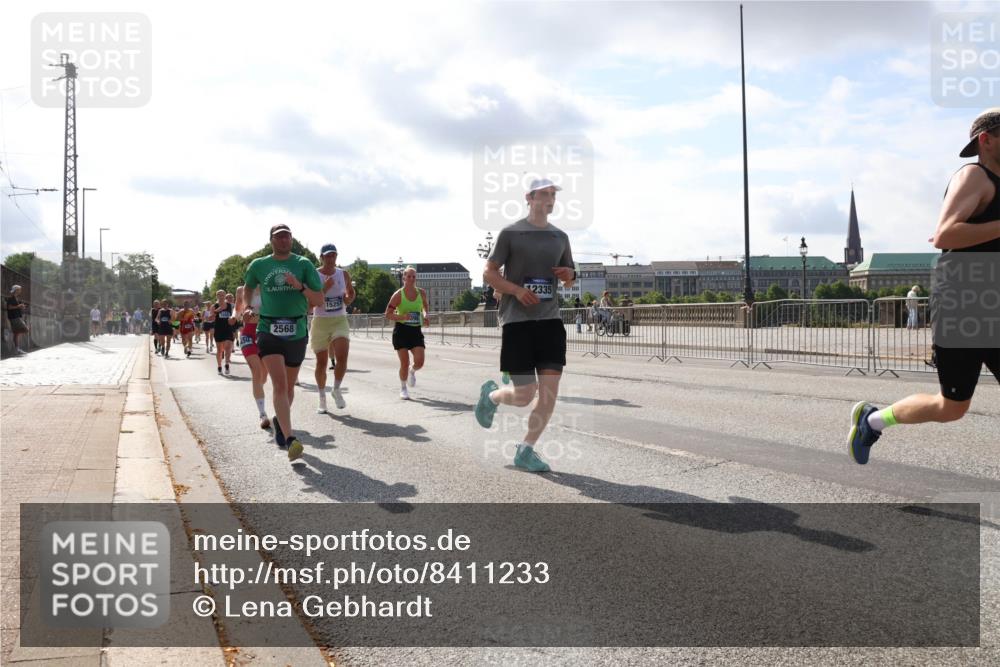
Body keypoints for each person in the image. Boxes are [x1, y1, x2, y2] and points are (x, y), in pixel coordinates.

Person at [848, 108, 1000, 464]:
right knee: (950, 407)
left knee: (952, 407)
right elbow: (946, 233)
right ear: (987, 139)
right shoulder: (974, 176)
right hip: (966, 308)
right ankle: (872, 420)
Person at [474, 178, 577, 473]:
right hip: (517, 321)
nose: (549, 199)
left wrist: (569, 274)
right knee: (524, 395)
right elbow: (489, 273)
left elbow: (570, 277)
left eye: (553, 194)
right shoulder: (511, 233)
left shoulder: (560, 237)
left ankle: (526, 449)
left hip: (550, 321)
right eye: (544, 194)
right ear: (529, 198)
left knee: (548, 394)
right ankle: (492, 396)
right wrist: (517, 291)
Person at [244, 224, 323, 462]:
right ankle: (290, 439)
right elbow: (247, 288)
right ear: (271, 240)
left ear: (291, 239)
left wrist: (299, 286)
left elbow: (318, 299)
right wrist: (248, 306)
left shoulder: (303, 264)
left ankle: (280, 421)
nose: (283, 240)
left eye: (287, 236)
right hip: (268, 328)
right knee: (279, 385)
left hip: (297, 329)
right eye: (279, 237)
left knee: (289, 388)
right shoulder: (258, 265)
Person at [309, 244, 355, 412]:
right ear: (321, 257)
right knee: (321, 363)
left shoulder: (343, 274)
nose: (330, 259)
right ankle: (322, 398)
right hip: (320, 321)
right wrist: (324, 289)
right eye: (327, 256)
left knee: (342, 357)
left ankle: (336, 390)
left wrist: (349, 298)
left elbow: (350, 293)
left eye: (333, 256)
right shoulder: (314, 274)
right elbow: (310, 303)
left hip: (339, 319)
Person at [385, 266, 428, 400]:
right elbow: (388, 314)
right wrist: (403, 317)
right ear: (404, 278)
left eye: (413, 276)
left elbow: (425, 307)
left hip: (415, 330)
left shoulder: (421, 293)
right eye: (408, 276)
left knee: (419, 362)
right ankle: (403, 388)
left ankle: (412, 371)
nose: (411, 279)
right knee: (404, 362)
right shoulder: (398, 295)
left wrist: (426, 316)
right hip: (401, 331)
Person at [209, 290, 236, 375]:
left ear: (225, 296)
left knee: (228, 347)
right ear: (217, 296)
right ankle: (219, 366)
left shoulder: (230, 306)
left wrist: (233, 319)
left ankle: (227, 364)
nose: (221, 296)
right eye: (219, 295)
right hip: (219, 329)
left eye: (223, 295)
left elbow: (234, 316)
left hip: (228, 329)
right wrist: (218, 310)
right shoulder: (214, 306)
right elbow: (210, 318)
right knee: (220, 350)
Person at [6, 285, 29, 355]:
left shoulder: (16, 298)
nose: (20, 291)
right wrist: (18, 306)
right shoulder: (11, 298)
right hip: (14, 317)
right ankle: (17, 348)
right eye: (19, 290)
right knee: (26, 329)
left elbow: (15, 307)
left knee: (16, 334)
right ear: (16, 290)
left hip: (17, 317)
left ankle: (17, 349)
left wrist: (21, 307)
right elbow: (9, 307)